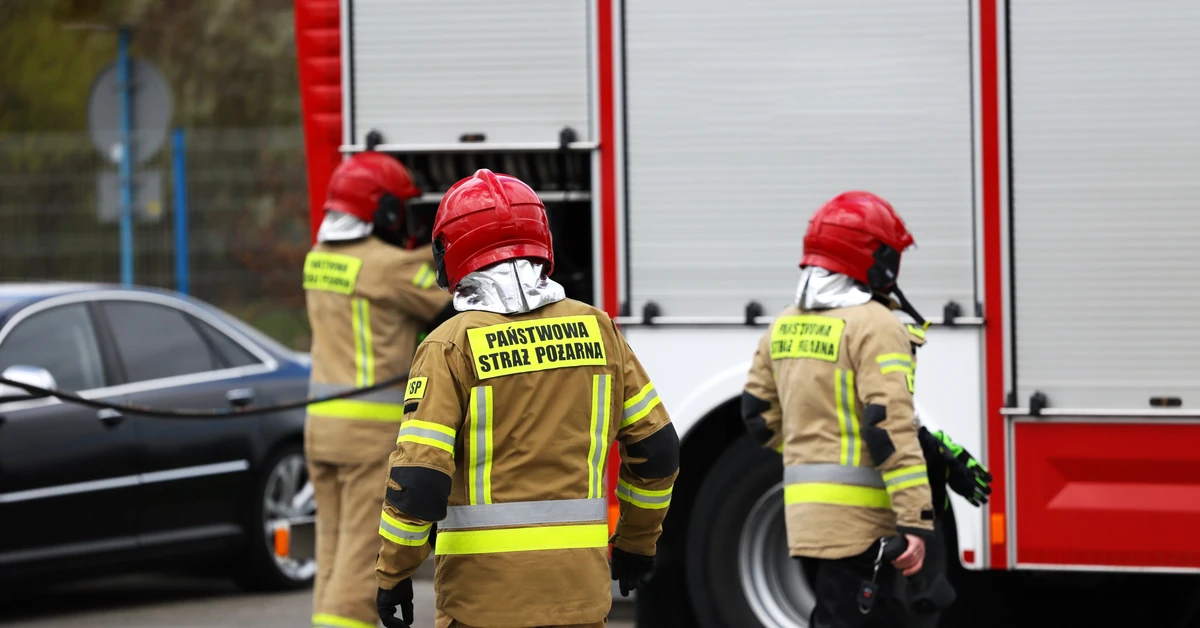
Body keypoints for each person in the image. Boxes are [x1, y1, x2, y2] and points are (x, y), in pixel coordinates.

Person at [373, 169, 680, 628]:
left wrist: (393, 571)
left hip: (483, 607)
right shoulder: (598, 328)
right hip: (581, 602)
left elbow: (418, 480)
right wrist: (637, 543)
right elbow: (657, 451)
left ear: (450, 253)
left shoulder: (449, 345)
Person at [742, 191, 935, 628]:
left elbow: (757, 415)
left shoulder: (785, 322)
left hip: (806, 525)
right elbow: (888, 428)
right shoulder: (876, 326)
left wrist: (814, 456)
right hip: (864, 531)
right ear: (875, 258)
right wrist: (915, 520)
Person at [303, 151, 454, 628]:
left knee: (331, 551)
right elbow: (460, 293)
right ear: (384, 211)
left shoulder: (318, 258)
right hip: (367, 436)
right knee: (361, 561)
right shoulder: (388, 266)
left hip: (320, 431)